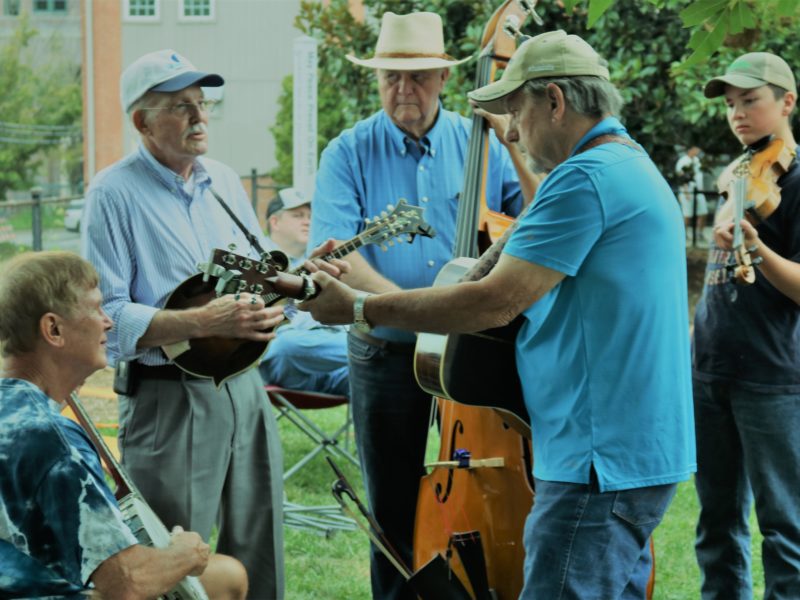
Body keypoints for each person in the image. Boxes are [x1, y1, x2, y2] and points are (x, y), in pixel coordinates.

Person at [302, 30, 696, 598]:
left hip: (597, 458)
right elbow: (506, 261)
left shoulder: (583, 179)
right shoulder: (625, 163)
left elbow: (495, 301)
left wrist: (359, 306)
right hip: (629, 449)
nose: (508, 133)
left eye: (515, 111)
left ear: (555, 102)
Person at [309, 11, 538, 599]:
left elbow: (538, 219)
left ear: (441, 76)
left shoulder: (478, 140)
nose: (402, 89)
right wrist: (420, 313)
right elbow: (338, 256)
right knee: (392, 508)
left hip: (474, 360)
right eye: (391, 77)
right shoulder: (348, 151)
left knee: (483, 490)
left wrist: (510, 142)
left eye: (417, 77)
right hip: (386, 355)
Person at [83, 49, 286, 599]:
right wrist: (203, 320)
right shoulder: (112, 193)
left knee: (259, 545)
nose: (199, 117)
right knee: (174, 564)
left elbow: (263, 269)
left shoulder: (221, 180)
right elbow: (109, 316)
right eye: (180, 106)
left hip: (244, 386)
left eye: (202, 104)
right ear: (142, 122)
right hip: (168, 399)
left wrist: (296, 280)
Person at [0, 251, 247, 600]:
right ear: (53, 329)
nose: (109, 322)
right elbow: (126, 585)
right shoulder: (55, 439)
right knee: (226, 578)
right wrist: (185, 552)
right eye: (96, 309)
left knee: (224, 576)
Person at [693, 51, 800, 599]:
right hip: (710, 368)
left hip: (770, 376)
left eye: (750, 101)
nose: (737, 113)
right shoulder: (737, 173)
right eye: (731, 104)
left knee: (784, 527)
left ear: (787, 101)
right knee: (715, 523)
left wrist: (755, 245)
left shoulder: (797, 179)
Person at [259, 187, 349, 396]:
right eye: (297, 216)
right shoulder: (257, 258)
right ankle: (380, 352)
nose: (307, 221)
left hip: (331, 365)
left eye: (310, 216)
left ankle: (381, 355)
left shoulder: (319, 263)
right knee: (287, 345)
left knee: (375, 376)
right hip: (286, 362)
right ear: (275, 222)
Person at [675, 145, 709, 243]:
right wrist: (686, 192)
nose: (698, 151)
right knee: (687, 214)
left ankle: (699, 233)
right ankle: (684, 234)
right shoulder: (683, 161)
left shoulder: (697, 160)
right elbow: (681, 177)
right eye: (696, 149)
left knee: (703, 212)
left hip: (698, 191)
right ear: (691, 150)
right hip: (687, 191)